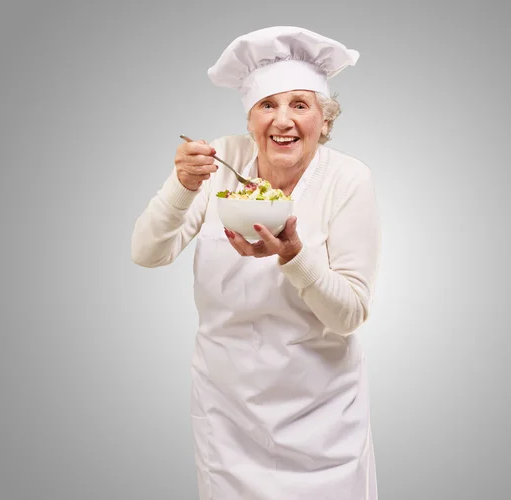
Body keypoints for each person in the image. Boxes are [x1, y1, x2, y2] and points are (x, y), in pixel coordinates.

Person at [131, 26, 381, 500]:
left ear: (324, 122)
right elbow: (147, 252)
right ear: (249, 118)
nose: (282, 121)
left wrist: (295, 258)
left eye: (300, 105)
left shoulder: (348, 179)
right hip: (228, 415)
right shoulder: (221, 161)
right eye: (268, 105)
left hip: (323, 417)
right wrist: (182, 186)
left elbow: (349, 314)